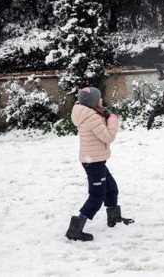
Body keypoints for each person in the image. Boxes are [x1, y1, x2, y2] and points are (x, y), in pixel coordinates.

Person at [65, 87, 134, 241]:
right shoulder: (91, 117)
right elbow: (108, 137)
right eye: (99, 97)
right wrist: (113, 119)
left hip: (95, 160)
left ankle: (114, 217)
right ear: (93, 101)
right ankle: (75, 229)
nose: (102, 99)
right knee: (97, 195)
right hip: (93, 161)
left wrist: (105, 115)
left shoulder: (90, 113)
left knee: (111, 188)